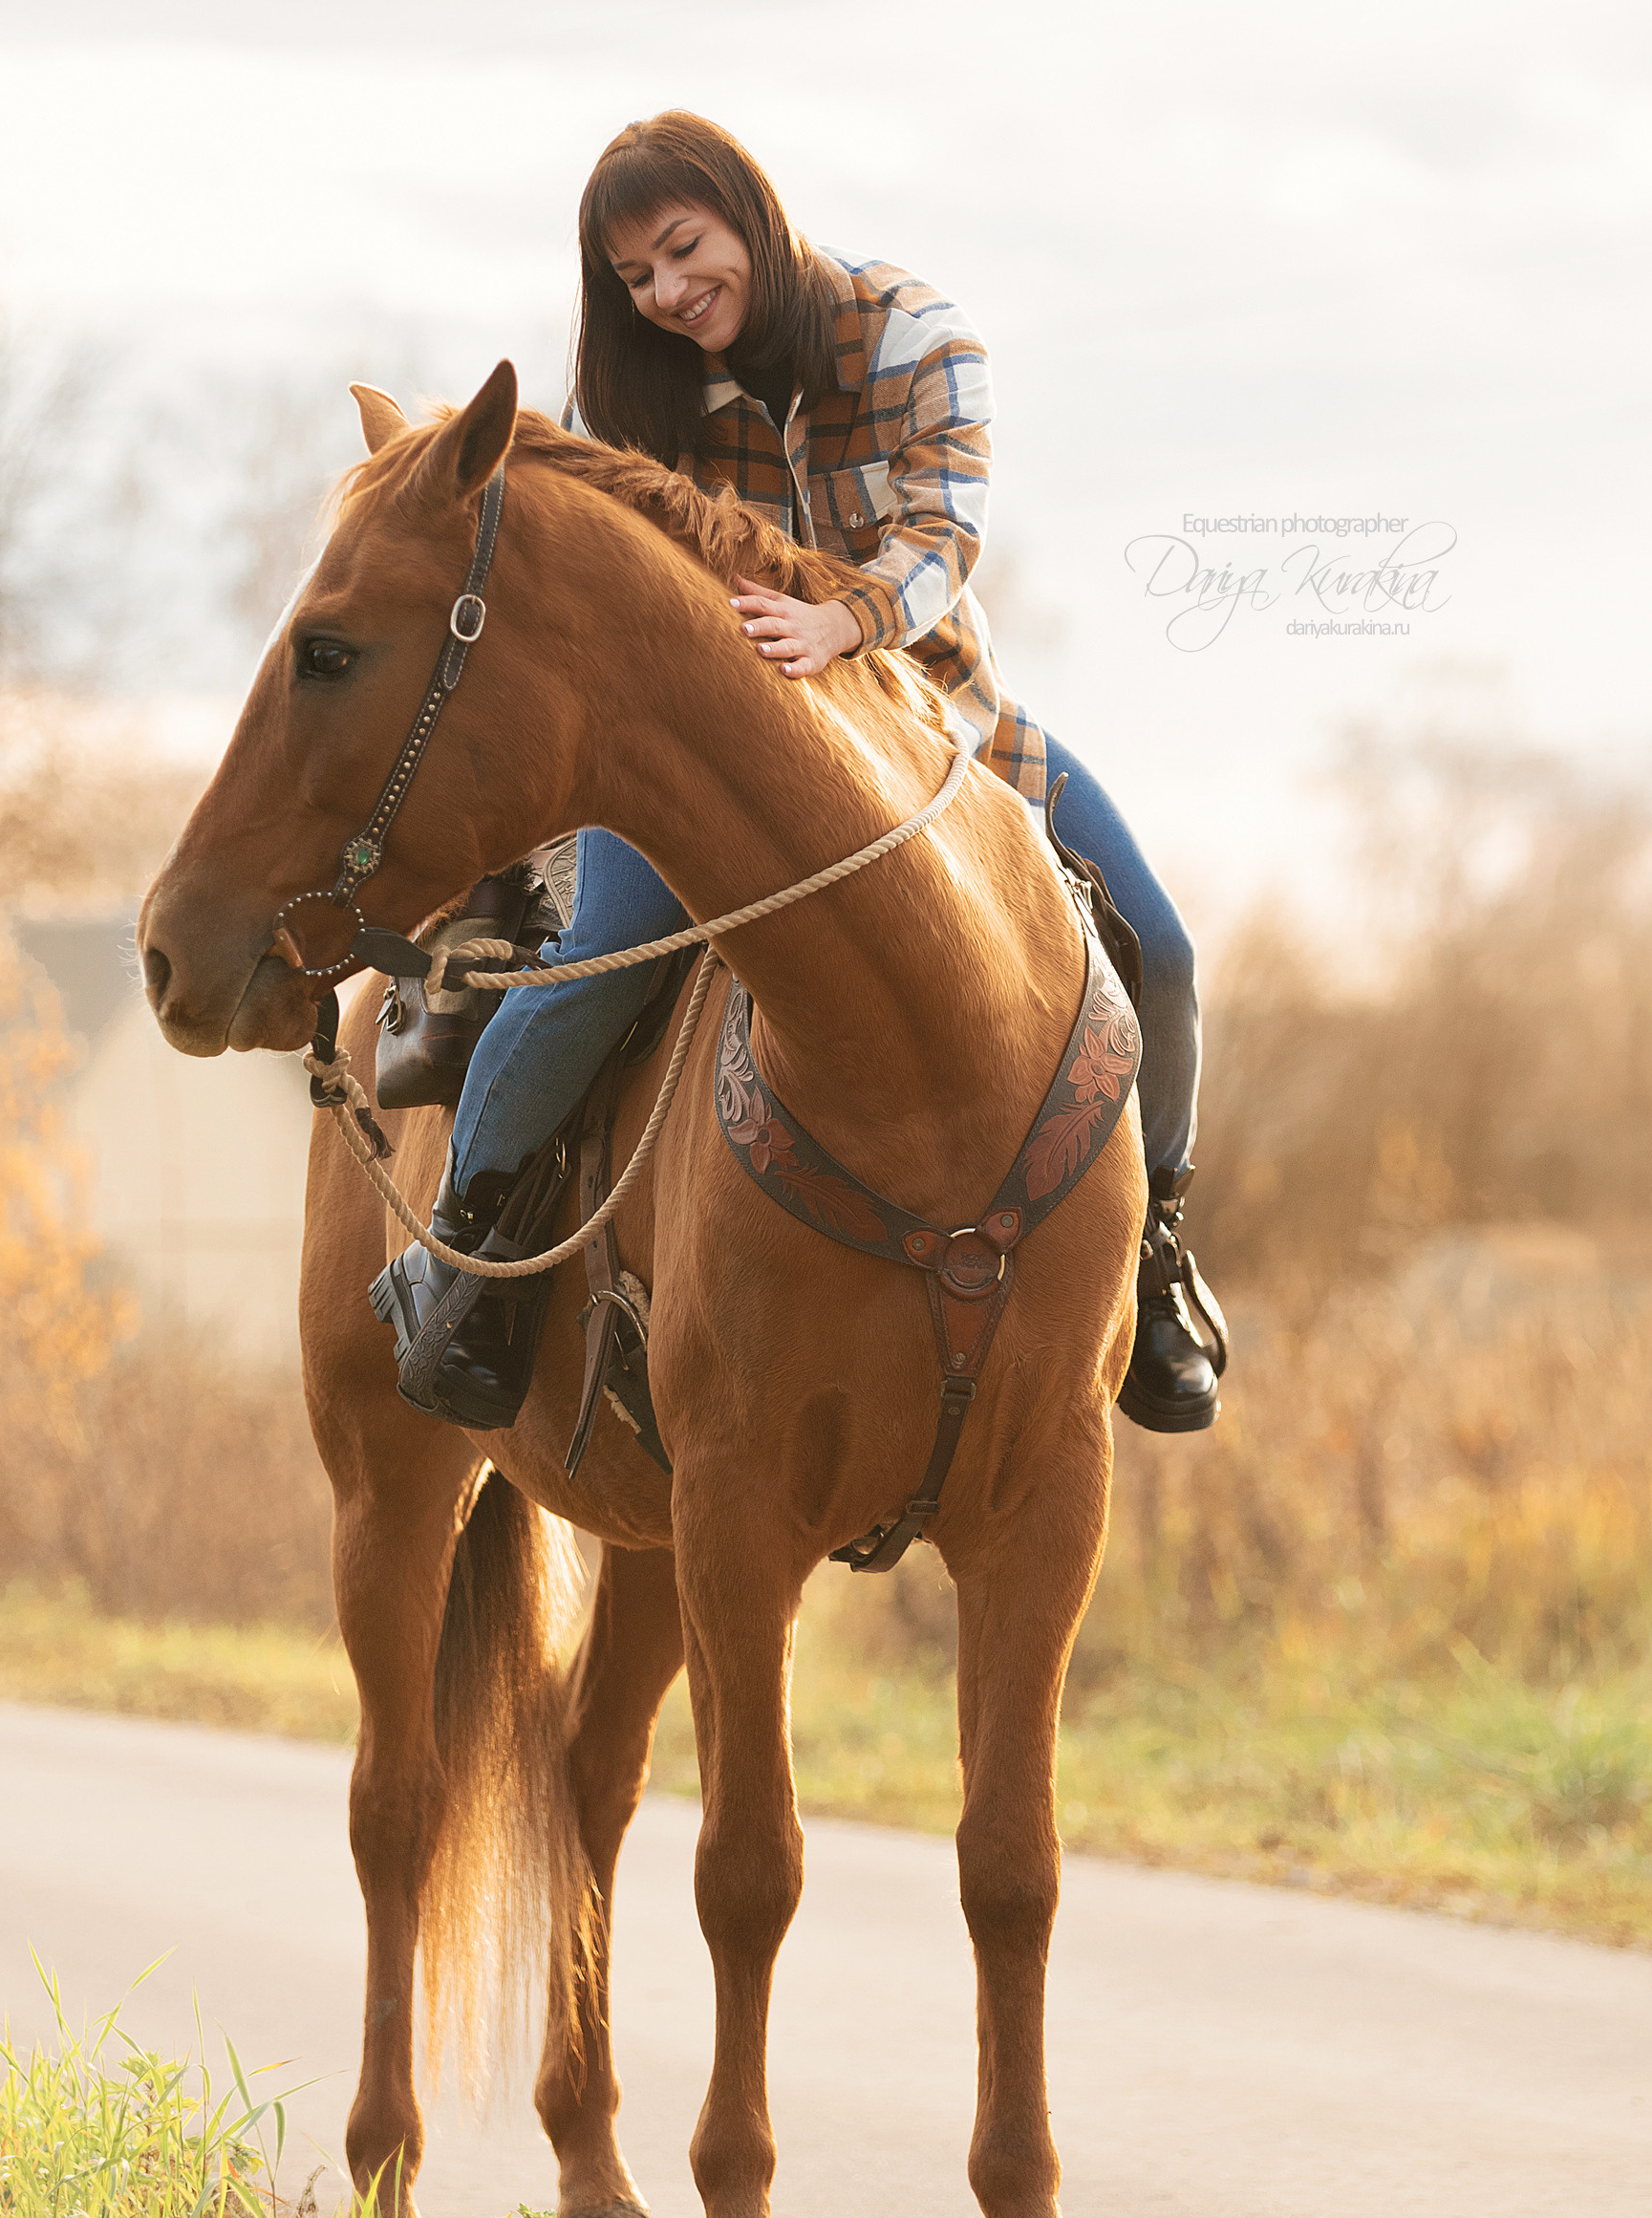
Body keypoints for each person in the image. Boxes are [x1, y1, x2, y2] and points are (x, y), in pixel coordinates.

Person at [381, 112, 1227, 1436]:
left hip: (941, 723)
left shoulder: (915, 336)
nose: (667, 293)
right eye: (635, 278)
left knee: (1162, 948)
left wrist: (850, 619)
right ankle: (466, 1258)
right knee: (598, 957)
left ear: (749, 217)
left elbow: (946, 532)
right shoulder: (645, 392)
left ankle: (1161, 1252)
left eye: (682, 248)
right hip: (715, 760)